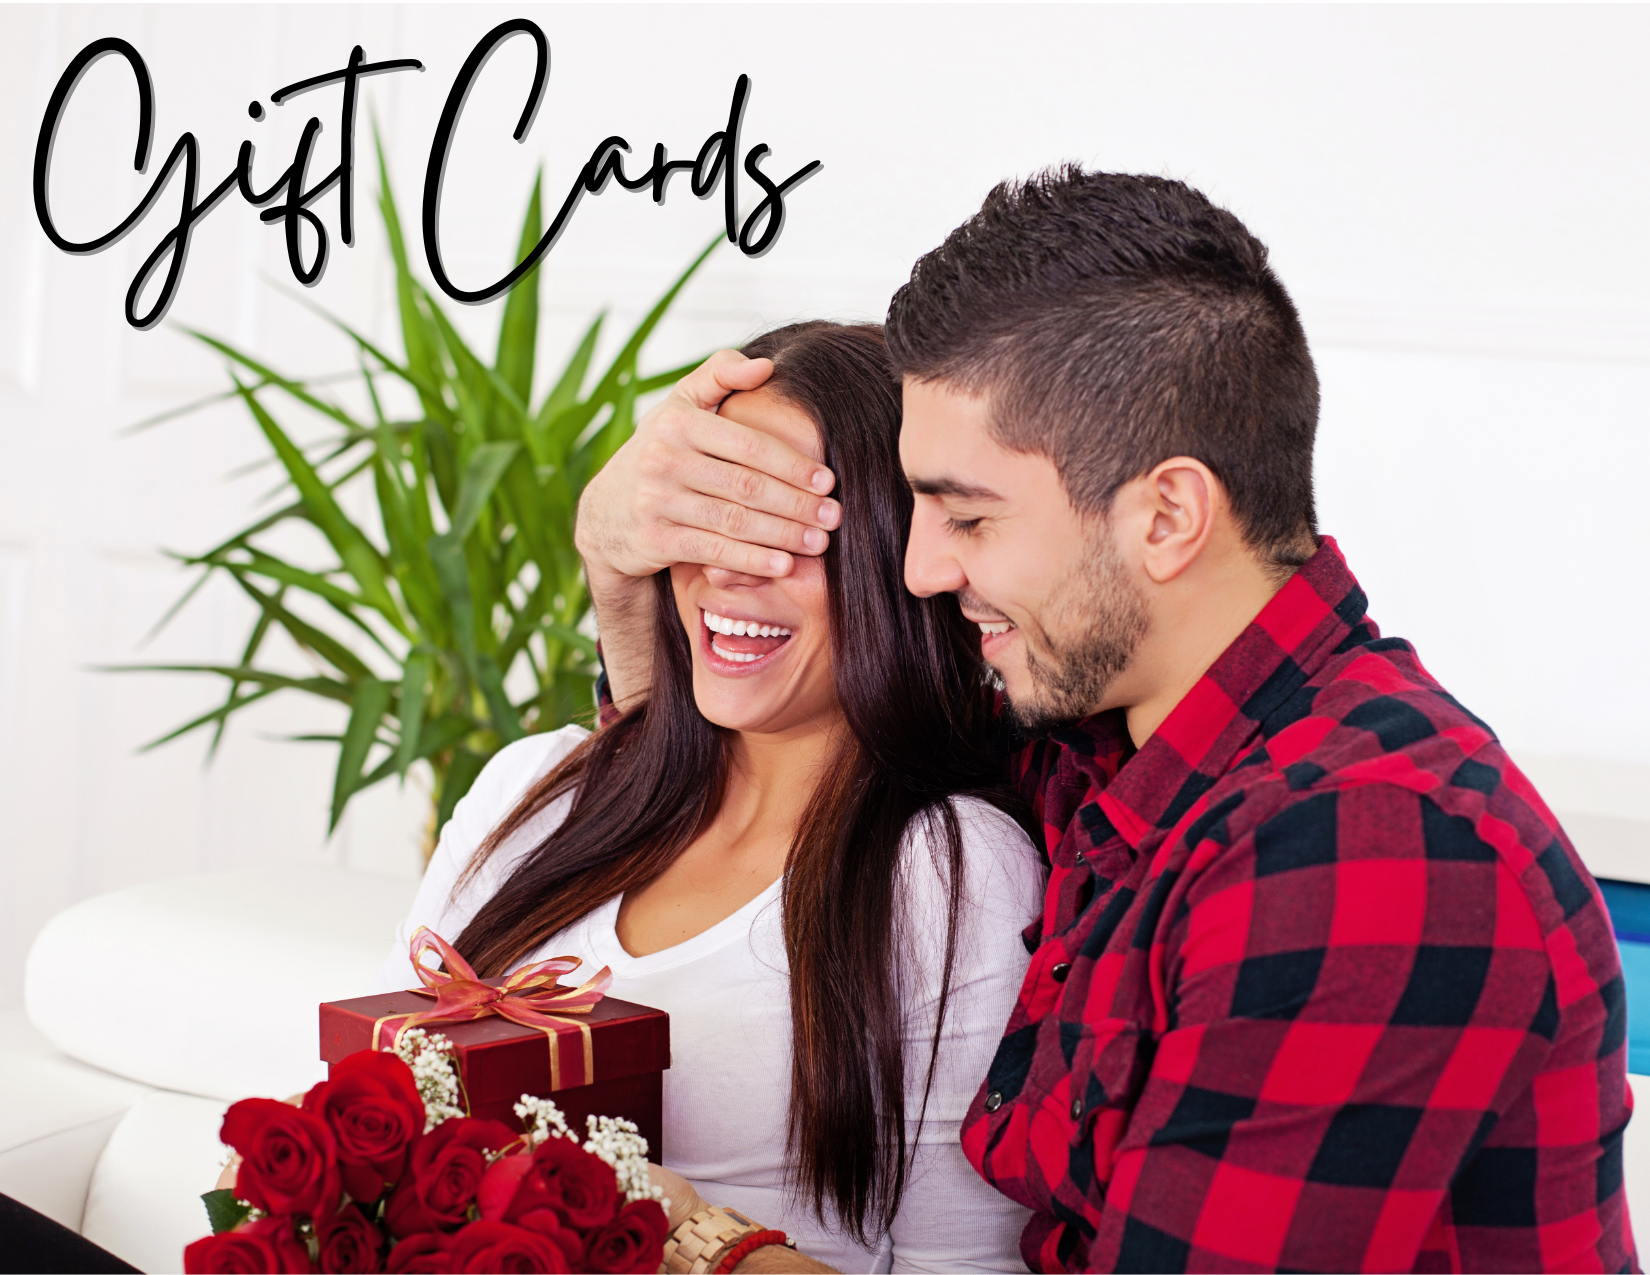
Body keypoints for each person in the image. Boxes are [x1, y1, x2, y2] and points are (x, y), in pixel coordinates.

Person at [576, 169, 1636, 1272]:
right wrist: (618, 562)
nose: (925, 569)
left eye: (969, 516)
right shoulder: (1106, 753)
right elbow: (789, 746)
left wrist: (691, 1241)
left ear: (1168, 516)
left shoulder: (1362, 848)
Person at [376, 321, 1043, 1273]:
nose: (729, 567)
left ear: (908, 562)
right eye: (710, 515)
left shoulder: (948, 871)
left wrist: (671, 1229)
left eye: (791, 531)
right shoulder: (532, 787)